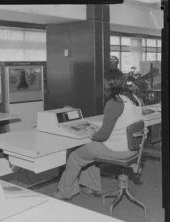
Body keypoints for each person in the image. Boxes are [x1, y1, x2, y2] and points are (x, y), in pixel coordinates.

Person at [53, 68, 143, 200]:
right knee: (88, 151)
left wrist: (92, 133)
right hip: (134, 149)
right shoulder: (134, 98)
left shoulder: (115, 102)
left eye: (104, 82)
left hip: (117, 150)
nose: (103, 84)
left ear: (109, 83)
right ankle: (92, 186)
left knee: (75, 156)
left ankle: (64, 192)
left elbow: (103, 136)